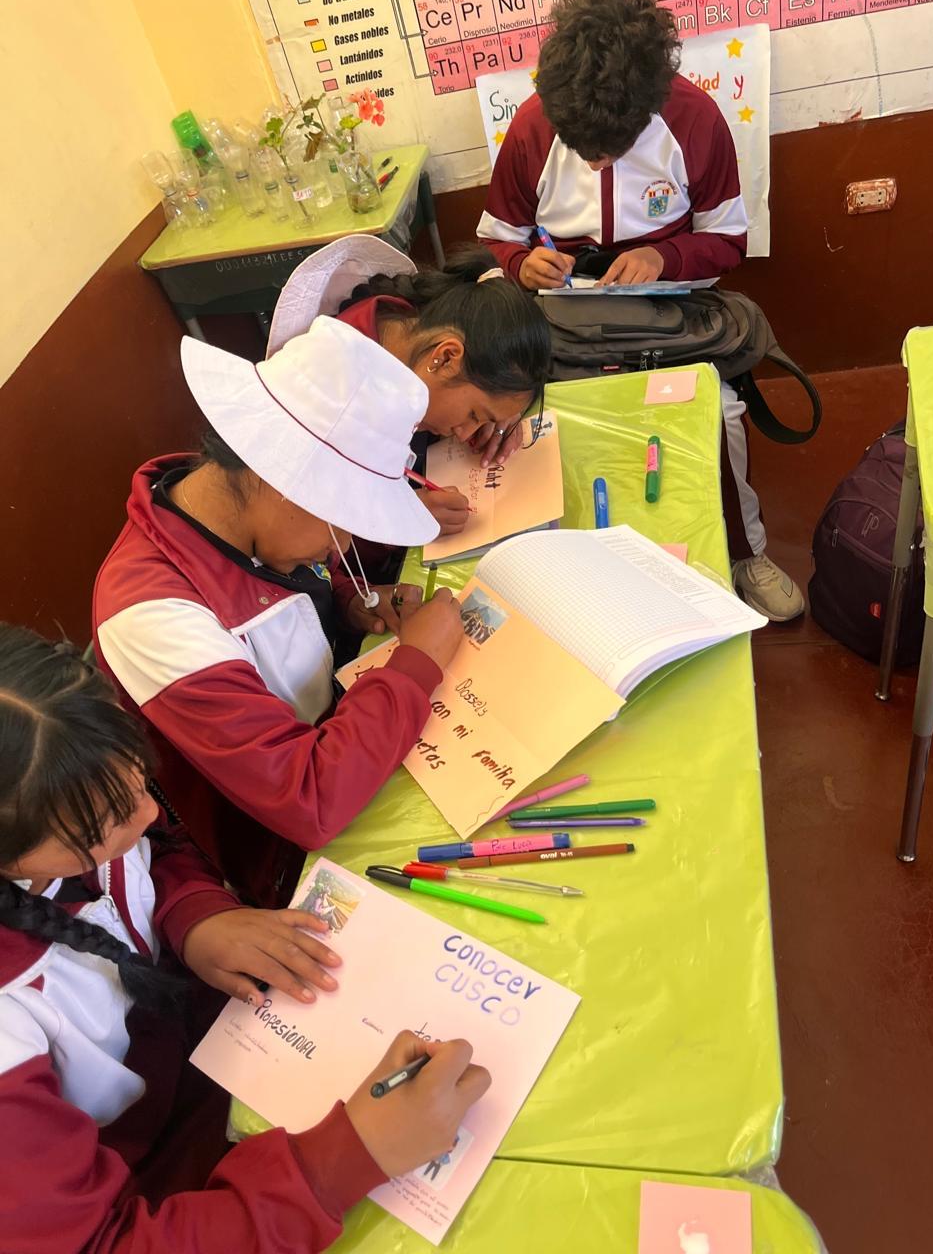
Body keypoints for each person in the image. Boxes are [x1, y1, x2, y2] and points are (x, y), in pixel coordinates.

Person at [0, 624, 491, 1253]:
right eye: (107, 824)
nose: (148, 814)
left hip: (222, 1057)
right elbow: (103, 1242)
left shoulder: (71, 804)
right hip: (171, 1179)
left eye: (140, 779)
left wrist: (194, 915)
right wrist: (349, 1159)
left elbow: (156, 852)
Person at [93, 316, 465, 908]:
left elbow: (280, 587)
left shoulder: (232, 510)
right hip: (284, 865)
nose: (345, 545)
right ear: (286, 481)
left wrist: (347, 603)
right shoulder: (154, 617)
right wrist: (415, 664)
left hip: (347, 745)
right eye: (344, 521)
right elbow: (308, 800)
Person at [477, 0, 804, 621]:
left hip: (667, 315)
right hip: (567, 319)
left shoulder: (694, 119)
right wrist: (520, 264)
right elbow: (497, 238)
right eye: (582, 148)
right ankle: (574, 570)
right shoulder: (535, 126)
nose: (595, 164)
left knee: (721, 414)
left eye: (611, 150)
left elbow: (728, 240)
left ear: (649, 107)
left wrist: (665, 257)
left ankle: (745, 554)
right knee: (544, 417)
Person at [266, 235, 552, 537]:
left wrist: (505, 416)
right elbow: (307, 530)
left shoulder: (421, 327)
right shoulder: (335, 392)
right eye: (473, 415)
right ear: (446, 357)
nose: (466, 433)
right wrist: (398, 515)